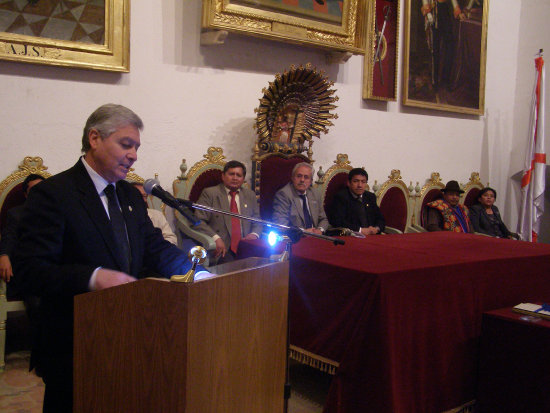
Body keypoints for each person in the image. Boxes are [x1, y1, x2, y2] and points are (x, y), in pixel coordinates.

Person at [13, 104, 204, 413]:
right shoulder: (53, 194)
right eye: (126, 144)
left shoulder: (129, 195)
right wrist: (93, 276)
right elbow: (29, 271)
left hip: (127, 336)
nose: (134, 155)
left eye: (137, 147)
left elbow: (154, 247)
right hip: (73, 343)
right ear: (95, 138)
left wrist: (197, 270)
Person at [194, 160, 262, 264]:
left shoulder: (250, 195)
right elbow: (198, 221)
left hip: (246, 247)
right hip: (223, 249)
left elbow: (257, 221)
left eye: (238, 175)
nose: (235, 178)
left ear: (243, 179)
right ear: (223, 176)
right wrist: (215, 238)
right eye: (231, 174)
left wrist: (254, 234)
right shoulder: (210, 193)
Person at [0, 174, 46, 288]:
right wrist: (4, 255)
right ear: (26, 195)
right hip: (31, 265)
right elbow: (9, 237)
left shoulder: (60, 210)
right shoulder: (16, 214)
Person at [272, 162, 329, 234]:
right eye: (299, 176)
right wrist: (303, 232)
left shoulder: (315, 193)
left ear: (311, 181)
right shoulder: (283, 195)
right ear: (292, 178)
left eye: (306, 177)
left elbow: (324, 219)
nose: (302, 180)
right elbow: (280, 225)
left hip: (316, 237)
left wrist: (320, 230)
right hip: (295, 240)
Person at [327, 168, 385, 235]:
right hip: (352, 236)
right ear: (349, 183)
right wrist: (360, 230)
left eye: (363, 182)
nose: (360, 185)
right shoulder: (341, 197)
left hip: (372, 235)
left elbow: (380, 219)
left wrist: (376, 229)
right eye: (356, 181)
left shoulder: (370, 197)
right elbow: (337, 221)